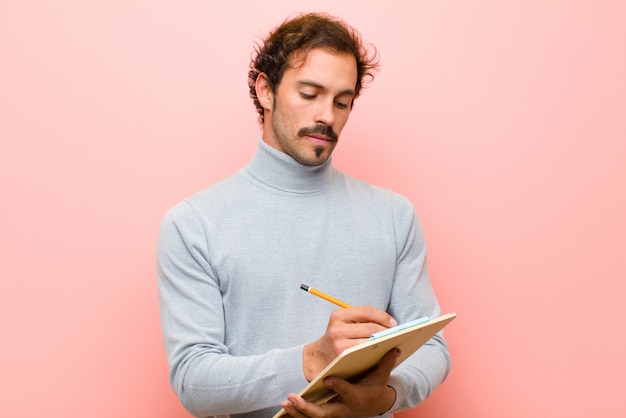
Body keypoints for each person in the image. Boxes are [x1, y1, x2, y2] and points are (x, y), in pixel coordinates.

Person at [157, 12, 450, 418]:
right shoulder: (194, 224)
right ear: (265, 90)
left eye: (342, 101)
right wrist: (311, 359)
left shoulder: (394, 216)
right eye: (309, 94)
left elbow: (432, 346)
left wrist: (382, 399)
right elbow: (193, 380)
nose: (327, 116)